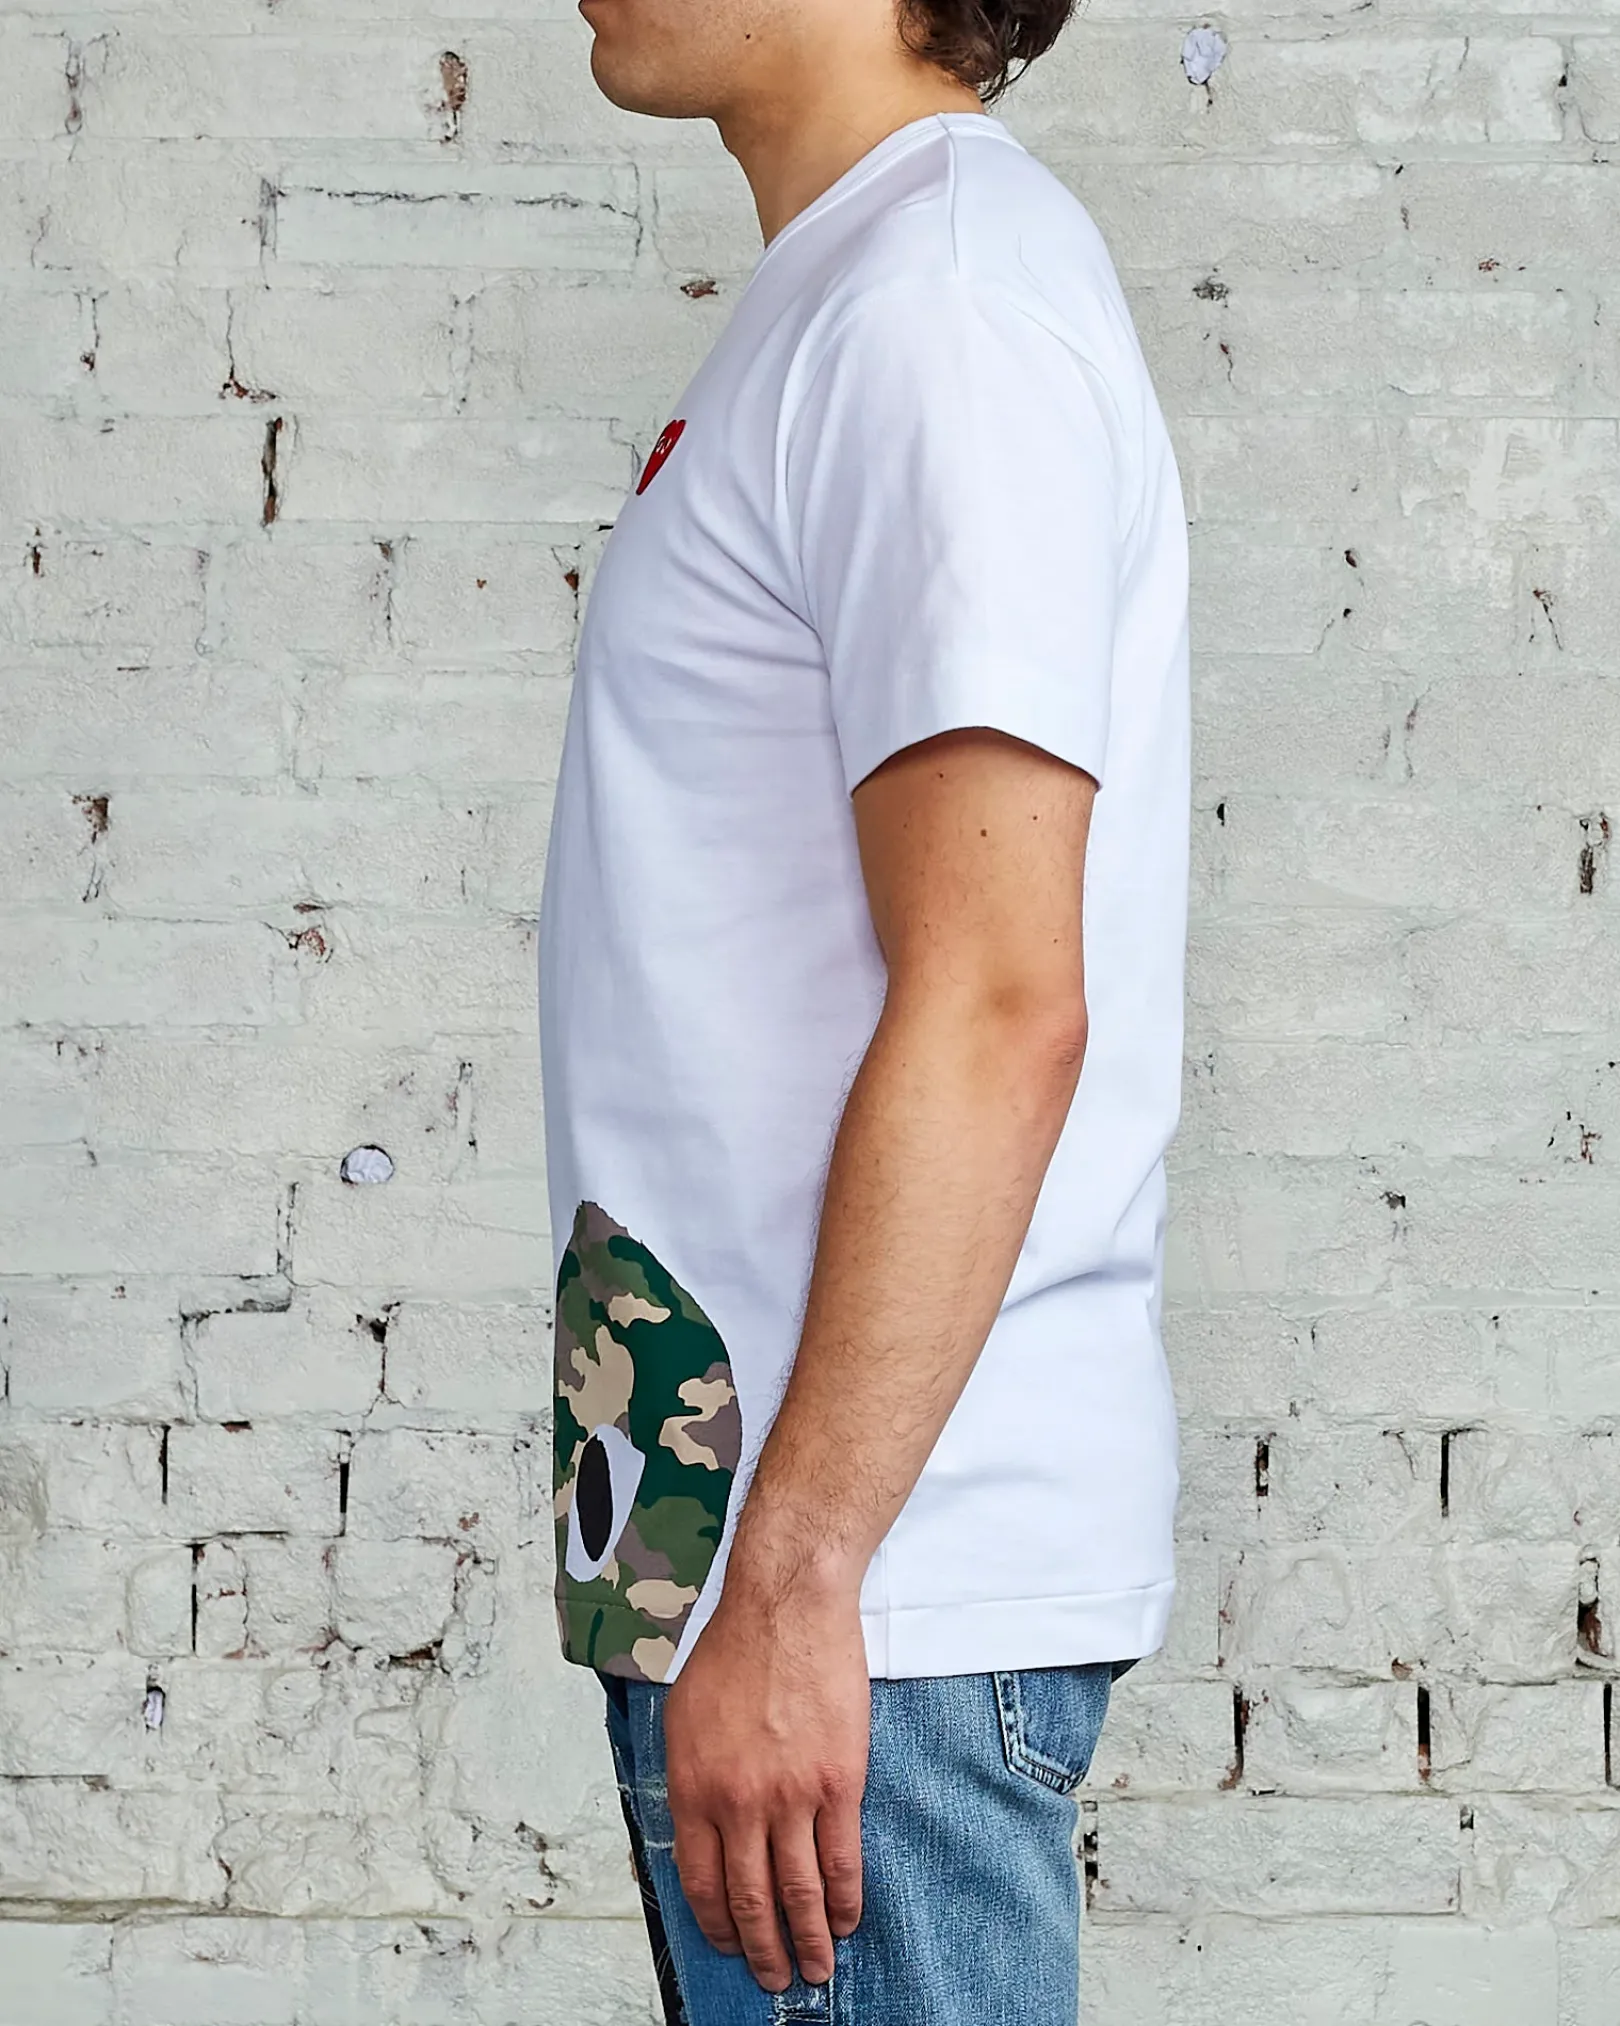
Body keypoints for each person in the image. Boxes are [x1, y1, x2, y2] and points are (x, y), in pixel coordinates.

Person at [537, 0, 1191, 2018]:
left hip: (865, 1603)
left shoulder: (938, 313)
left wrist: (801, 1575)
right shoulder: (855, 293)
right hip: (762, 1571)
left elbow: (1000, 996)